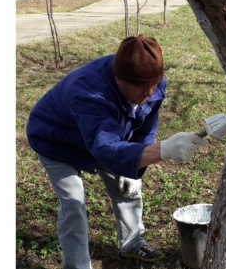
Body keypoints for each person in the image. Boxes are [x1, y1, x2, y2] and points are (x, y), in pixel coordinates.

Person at [26, 34, 207, 268]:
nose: (150, 93)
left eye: (154, 85)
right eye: (143, 87)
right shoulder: (90, 94)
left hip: (103, 136)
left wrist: (137, 167)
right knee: (73, 203)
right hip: (56, 139)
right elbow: (106, 148)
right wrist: (162, 150)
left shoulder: (151, 83)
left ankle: (132, 243)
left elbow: (143, 130)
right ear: (118, 78)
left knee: (127, 187)